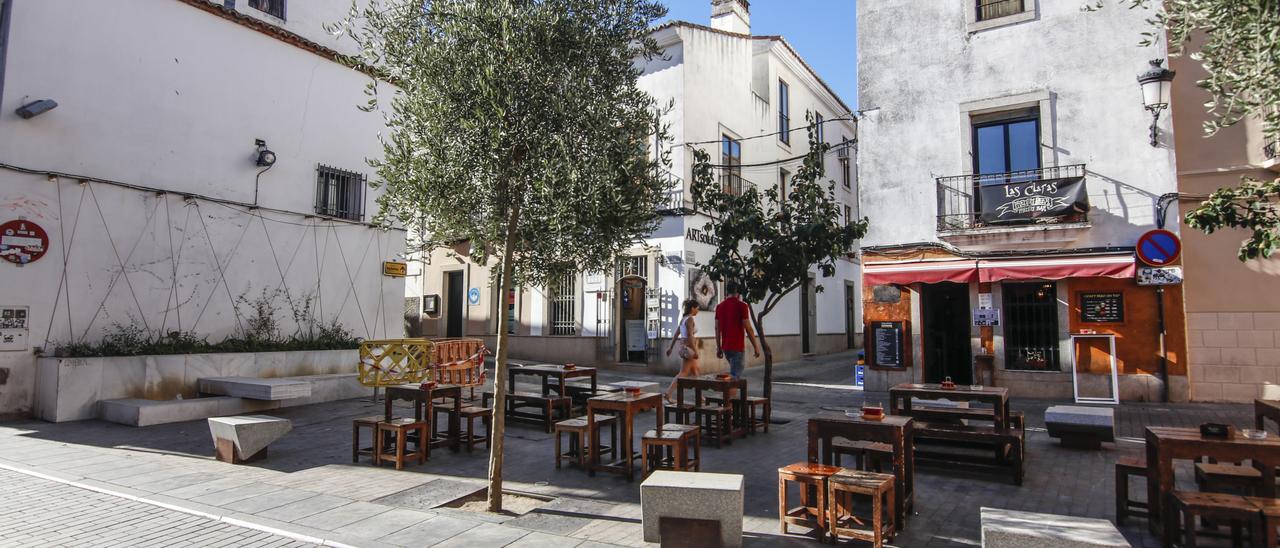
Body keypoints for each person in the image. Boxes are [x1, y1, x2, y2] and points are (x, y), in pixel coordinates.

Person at [715, 282, 760, 383]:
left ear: (727, 292)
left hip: (726, 347)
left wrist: (719, 348)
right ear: (738, 293)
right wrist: (756, 347)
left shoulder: (719, 307)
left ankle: (729, 393)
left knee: (733, 375)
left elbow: (717, 329)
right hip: (737, 347)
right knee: (734, 379)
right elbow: (748, 328)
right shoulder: (742, 306)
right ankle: (729, 394)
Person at [664, 299, 701, 403]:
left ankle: (699, 396)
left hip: (684, 347)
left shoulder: (683, 319)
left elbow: (676, 334)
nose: (698, 311)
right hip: (689, 348)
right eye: (697, 308)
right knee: (683, 373)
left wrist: (670, 348)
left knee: (695, 372)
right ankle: (668, 393)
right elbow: (690, 336)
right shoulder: (690, 319)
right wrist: (695, 350)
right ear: (692, 308)